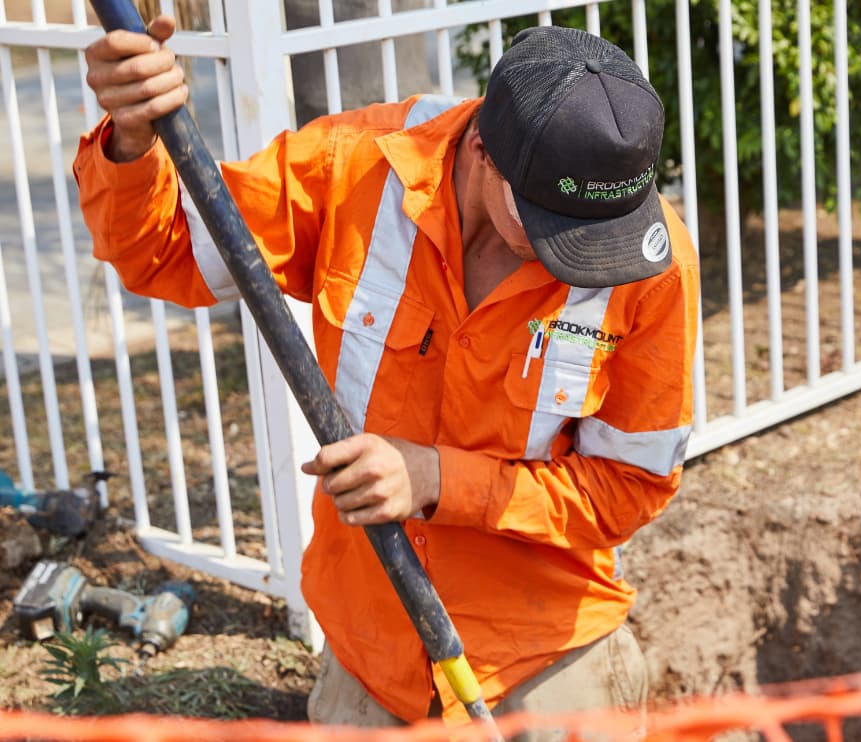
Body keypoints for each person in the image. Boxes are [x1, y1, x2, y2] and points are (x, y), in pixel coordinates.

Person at [75, 14, 700, 736]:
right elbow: (163, 252)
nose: (586, 260)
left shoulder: (647, 264)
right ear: (481, 153)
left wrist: (438, 479)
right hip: (373, 649)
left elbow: (629, 488)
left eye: (603, 237)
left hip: (544, 650)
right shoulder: (357, 170)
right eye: (553, 228)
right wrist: (133, 137)